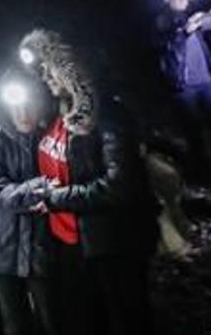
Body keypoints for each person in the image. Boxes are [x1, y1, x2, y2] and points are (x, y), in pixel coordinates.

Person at [23, 29, 159, 335]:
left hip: (110, 242)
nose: (44, 75)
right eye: (41, 69)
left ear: (73, 69)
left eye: (50, 67)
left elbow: (120, 186)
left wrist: (56, 198)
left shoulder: (107, 116)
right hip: (72, 243)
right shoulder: (58, 114)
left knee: (126, 319)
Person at [0, 75, 58, 335]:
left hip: (43, 247)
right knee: (14, 323)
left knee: (51, 318)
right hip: (2, 246)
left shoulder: (53, 143)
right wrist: (38, 189)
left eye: (29, 104)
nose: (23, 113)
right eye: (15, 105)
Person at [154, 0, 211, 181]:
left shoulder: (193, 16)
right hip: (183, 86)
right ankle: (201, 171)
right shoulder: (161, 20)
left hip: (207, 81)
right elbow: (163, 45)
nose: (184, 0)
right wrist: (184, 32)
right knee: (194, 130)